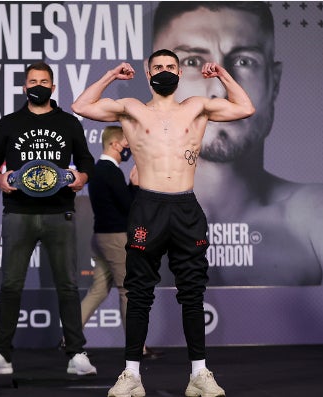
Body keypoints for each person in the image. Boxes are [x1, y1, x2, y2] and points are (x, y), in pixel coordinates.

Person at [71, 50, 254, 397]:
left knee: (192, 293)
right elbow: (82, 105)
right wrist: (111, 75)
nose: (166, 71)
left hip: (185, 206)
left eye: (171, 66)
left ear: (180, 71)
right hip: (148, 207)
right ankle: (131, 376)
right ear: (147, 72)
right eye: (159, 67)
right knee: (138, 292)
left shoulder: (198, 106)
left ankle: (199, 375)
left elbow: (245, 108)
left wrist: (223, 77)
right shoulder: (131, 108)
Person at [151, 1, 323, 286]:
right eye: (192, 61)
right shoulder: (117, 221)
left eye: (244, 61)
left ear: (274, 82)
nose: (219, 90)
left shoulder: (315, 219)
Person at [0, 61, 97, 376]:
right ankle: (1, 354)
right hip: (19, 213)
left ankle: (77, 354)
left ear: (53, 87)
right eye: (33, 81)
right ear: (24, 87)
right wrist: (0, 178)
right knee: (11, 285)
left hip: (60, 212)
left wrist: (81, 175)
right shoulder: (9, 123)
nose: (38, 85)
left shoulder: (69, 123)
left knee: (68, 285)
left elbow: (86, 160)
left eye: (44, 81)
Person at [80, 125, 162, 359]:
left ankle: (69, 338)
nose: (128, 147)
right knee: (129, 291)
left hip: (101, 237)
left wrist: (129, 187)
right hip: (115, 238)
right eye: (126, 142)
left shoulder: (100, 170)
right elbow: (128, 207)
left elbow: (116, 203)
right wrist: (135, 186)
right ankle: (138, 348)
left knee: (97, 291)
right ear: (115, 144)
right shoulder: (110, 171)